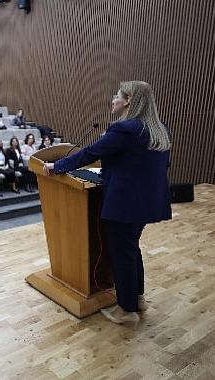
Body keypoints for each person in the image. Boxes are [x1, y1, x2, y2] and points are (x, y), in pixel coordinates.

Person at [43, 81, 172, 325]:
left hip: (125, 203)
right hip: (147, 202)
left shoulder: (125, 130)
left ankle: (126, 310)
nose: (113, 99)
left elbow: (89, 153)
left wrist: (55, 166)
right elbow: (155, 165)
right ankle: (138, 298)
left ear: (128, 101)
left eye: (117, 95)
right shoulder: (159, 129)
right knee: (131, 248)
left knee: (121, 254)